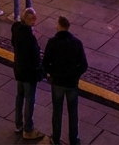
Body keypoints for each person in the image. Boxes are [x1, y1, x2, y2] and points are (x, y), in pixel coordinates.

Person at [42, 15, 89, 145]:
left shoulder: (52, 42)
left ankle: (56, 138)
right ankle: (74, 139)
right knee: (73, 112)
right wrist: (75, 75)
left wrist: (52, 73)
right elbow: (84, 65)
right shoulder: (76, 43)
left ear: (59, 26)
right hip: (71, 83)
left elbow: (45, 62)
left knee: (57, 112)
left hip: (57, 82)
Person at [11, 9, 44, 141]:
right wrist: (40, 70)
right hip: (29, 73)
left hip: (19, 69)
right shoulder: (29, 37)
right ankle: (28, 129)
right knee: (30, 100)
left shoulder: (16, 29)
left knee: (20, 96)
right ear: (31, 20)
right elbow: (34, 57)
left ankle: (18, 125)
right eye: (34, 19)